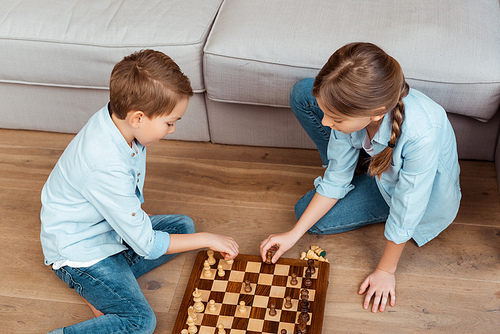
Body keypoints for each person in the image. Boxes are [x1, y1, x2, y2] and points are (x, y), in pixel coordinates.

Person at [41, 49, 239, 334]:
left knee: (183, 227)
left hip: (111, 232)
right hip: (81, 250)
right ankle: (97, 285)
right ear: (137, 118)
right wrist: (208, 238)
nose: (171, 130)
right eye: (169, 123)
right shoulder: (104, 164)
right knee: (140, 322)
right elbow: (146, 245)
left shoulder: (119, 120)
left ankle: (105, 288)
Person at [260, 42, 461, 313]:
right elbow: (334, 178)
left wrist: (385, 271)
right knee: (302, 92)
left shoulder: (422, 134)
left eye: (336, 119)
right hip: (375, 150)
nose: (326, 123)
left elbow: (407, 209)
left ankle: (363, 174)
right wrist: (293, 235)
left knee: (304, 212)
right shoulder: (357, 110)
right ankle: (359, 167)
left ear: (376, 113)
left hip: (407, 194)